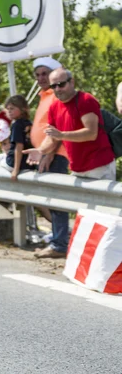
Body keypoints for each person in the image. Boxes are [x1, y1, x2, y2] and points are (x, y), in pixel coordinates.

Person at [24, 68, 117, 255]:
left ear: (71, 82)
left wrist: (62, 134)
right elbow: (52, 138)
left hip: (99, 166)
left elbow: (90, 132)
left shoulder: (85, 100)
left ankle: (109, 257)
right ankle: (88, 256)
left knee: (105, 216)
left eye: (62, 84)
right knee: (84, 215)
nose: (58, 89)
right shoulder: (54, 107)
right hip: (78, 169)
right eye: (54, 86)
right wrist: (41, 150)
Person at [27, 57, 68, 258]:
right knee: (50, 200)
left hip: (55, 155)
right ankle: (59, 239)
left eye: (45, 73)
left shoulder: (55, 95)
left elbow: (58, 128)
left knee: (55, 200)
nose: (41, 78)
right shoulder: (45, 95)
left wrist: (48, 153)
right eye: (38, 75)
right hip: (46, 154)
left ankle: (59, 244)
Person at [1, 95, 34, 181]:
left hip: (13, 163)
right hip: (27, 163)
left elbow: (19, 147)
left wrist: (16, 169)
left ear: (22, 109)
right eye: (8, 109)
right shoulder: (29, 123)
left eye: (12, 109)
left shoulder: (17, 125)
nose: (9, 112)